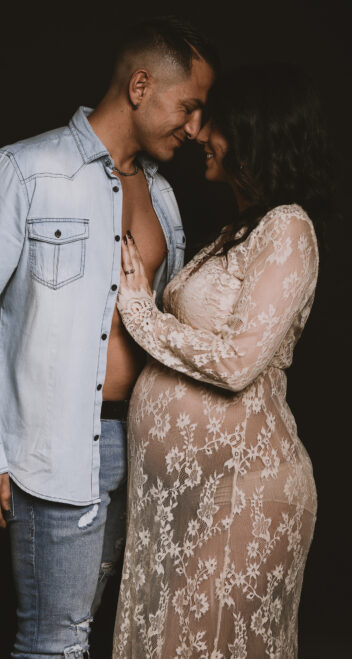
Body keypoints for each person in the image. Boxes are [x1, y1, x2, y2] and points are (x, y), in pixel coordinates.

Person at [0, 17, 218, 659]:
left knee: (108, 633)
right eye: (189, 106)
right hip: (55, 450)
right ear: (140, 86)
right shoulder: (25, 170)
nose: (196, 128)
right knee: (55, 642)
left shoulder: (164, 197)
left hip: (142, 447)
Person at [113, 63, 332, 658]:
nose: (202, 133)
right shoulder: (239, 229)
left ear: (257, 133)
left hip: (249, 490)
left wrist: (142, 314)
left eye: (218, 123)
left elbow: (238, 362)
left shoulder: (289, 228)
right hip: (203, 493)